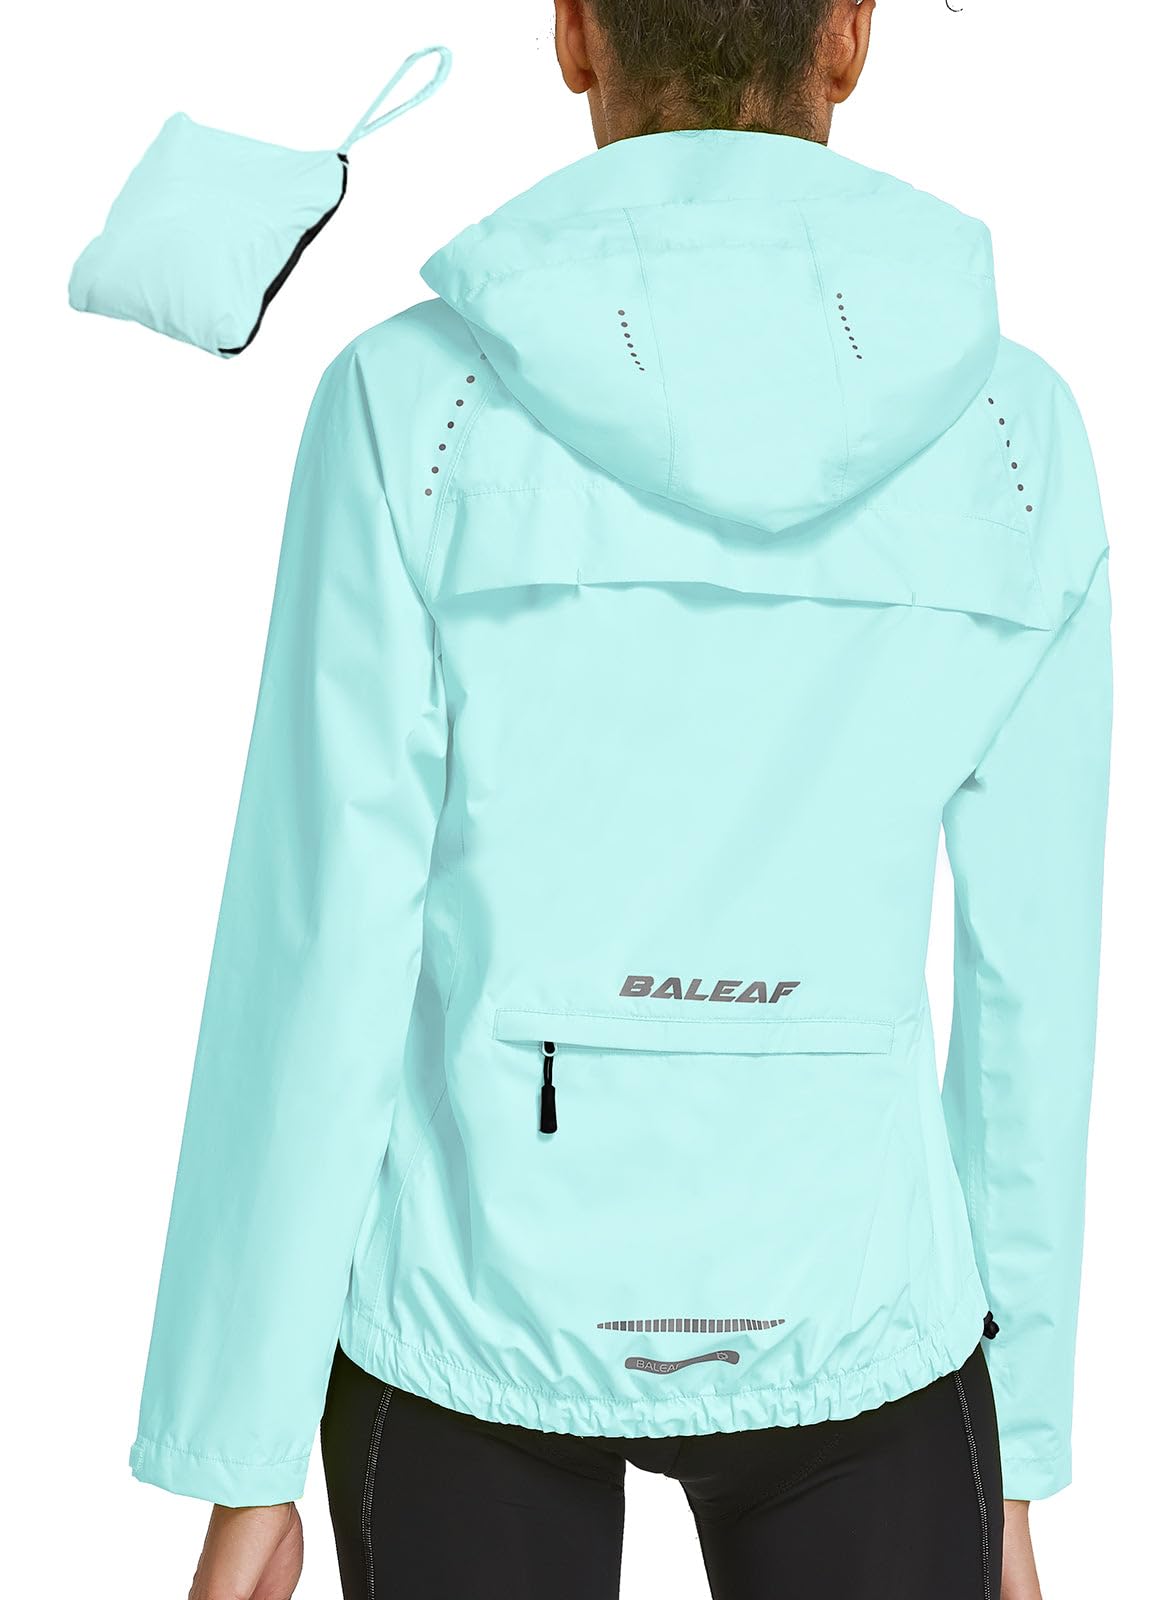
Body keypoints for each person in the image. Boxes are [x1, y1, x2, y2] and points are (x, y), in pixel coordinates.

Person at [131, 4, 1112, 1598]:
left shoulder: (409, 402)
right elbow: (1030, 992)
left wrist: (242, 1450)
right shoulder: (1017, 434)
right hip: (861, 1304)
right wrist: (1021, 1453)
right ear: (849, 35)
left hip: (466, 1304)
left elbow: (319, 945)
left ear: (574, 32)